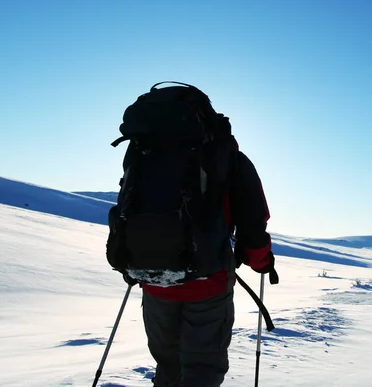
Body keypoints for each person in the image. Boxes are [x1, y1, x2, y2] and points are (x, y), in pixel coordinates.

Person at [107, 82, 278, 387]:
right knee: (202, 368)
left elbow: (126, 206)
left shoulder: (143, 151)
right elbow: (253, 221)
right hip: (207, 283)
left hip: (153, 279)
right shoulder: (226, 155)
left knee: (168, 365)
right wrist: (261, 261)